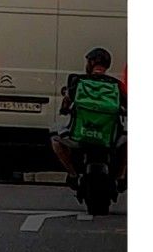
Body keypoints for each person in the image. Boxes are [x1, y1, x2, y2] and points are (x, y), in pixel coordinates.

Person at [51, 48, 126, 191]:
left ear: (91, 63)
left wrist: (64, 109)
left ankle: (72, 174)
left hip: (81, 134)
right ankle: (120, 176)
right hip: (108, 137)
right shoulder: (116, 84)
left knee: (55, 139)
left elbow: (66, 104)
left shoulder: (77, 81)